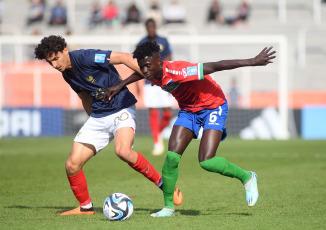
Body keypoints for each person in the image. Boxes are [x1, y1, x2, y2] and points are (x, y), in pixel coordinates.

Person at [104, 41, 276, 217]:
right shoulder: (151, 72)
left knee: (207, 161)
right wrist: (120, 85)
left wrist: (252, 61)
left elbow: (215, 66)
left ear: (159, 61)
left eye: (147, 66)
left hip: (213, 106)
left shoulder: (179, 71)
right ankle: (168, 207)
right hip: (188, 110)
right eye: (142, 67)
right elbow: (139, 75)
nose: (145, 71)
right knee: (171, 157)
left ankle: (247, 177)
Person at [34, 36, 183, 216]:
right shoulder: (67, 74)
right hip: (98, 116)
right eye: (50, 62)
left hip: (122, 108)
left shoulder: (86, 57)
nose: (55, 65)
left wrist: (152, 76)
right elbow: (85, 98)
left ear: (65, 50)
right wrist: (93, 121)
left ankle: (165, 185)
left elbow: (123, 57)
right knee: (72, 165)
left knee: (123, 151)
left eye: (55, 58)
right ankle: (85, 207)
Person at [137, 18, 174, 155]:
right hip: (149, 82)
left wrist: (172, 77)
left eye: (153, 26)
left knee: (168, 112)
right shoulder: (141, 43)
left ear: (155, 27)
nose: (151, 29)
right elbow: (137, 63)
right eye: (149, 27)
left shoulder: (163, 41)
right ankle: (157, 143)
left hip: (164, 79)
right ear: (146, 28)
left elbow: (170, 58)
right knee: (153, 111)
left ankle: (157, 134)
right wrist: (137, 83)